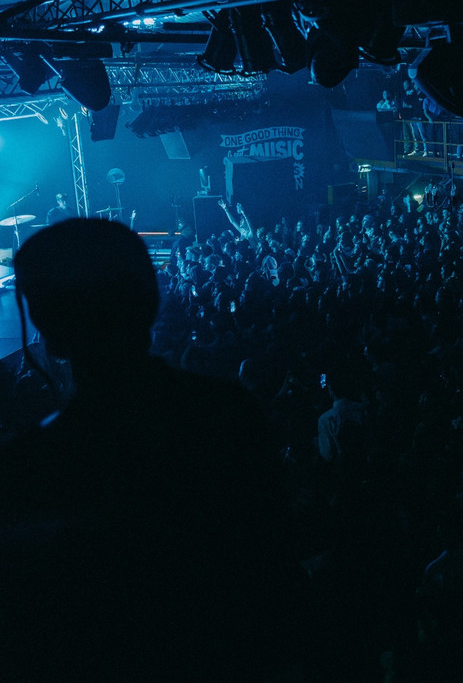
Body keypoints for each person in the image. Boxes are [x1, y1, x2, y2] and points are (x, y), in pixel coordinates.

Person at [1, 219, 300, 680]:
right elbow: (274, 575)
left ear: (45, 326)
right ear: (150, 302)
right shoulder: (228, 414)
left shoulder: (34, 466)